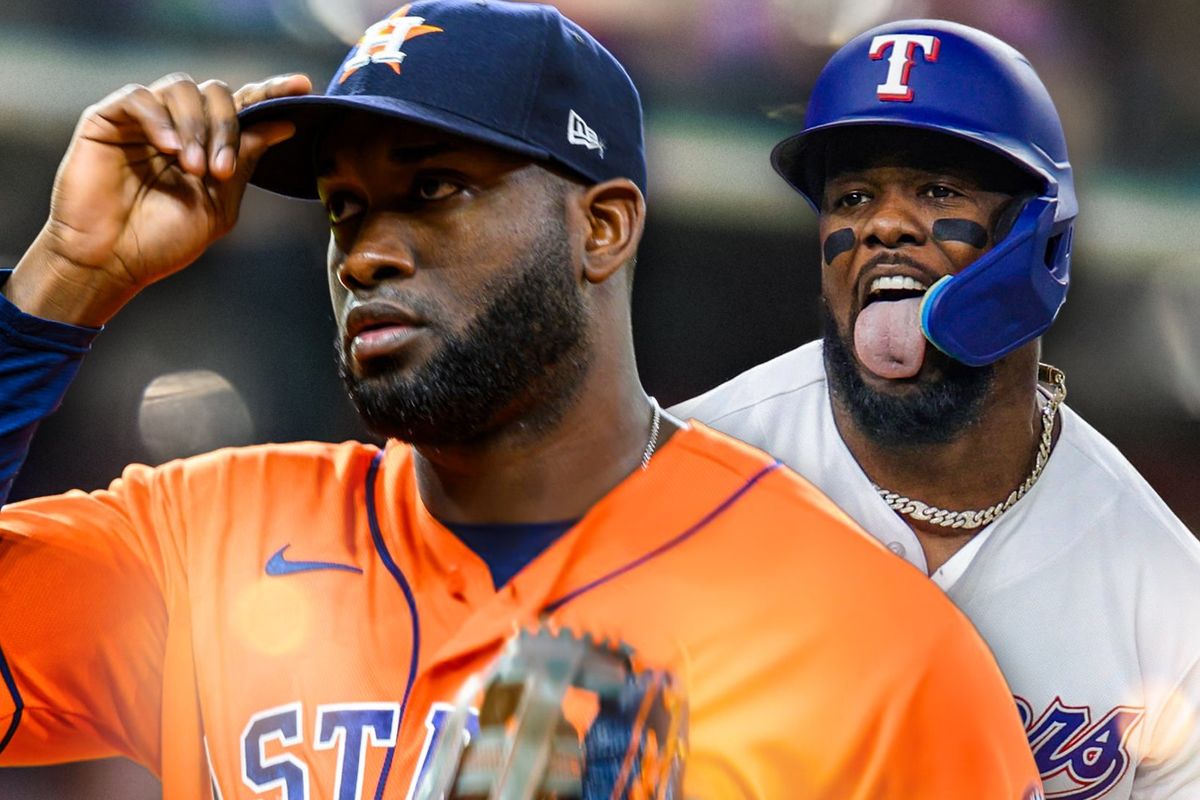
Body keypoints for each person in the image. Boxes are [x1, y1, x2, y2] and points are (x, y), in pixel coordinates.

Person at [0, 3, 1043, 798]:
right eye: (345, 208)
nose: (367, 252)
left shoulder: (868, 645)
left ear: (603, 228)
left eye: (435, 188)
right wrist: (65, 278)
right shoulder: (201, 545)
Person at [673, 18, 1200, 798]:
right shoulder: (691, 468)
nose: (881, 224)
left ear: (1040, 240)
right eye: (851, 196)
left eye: (937, 190)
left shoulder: (1166, 600)